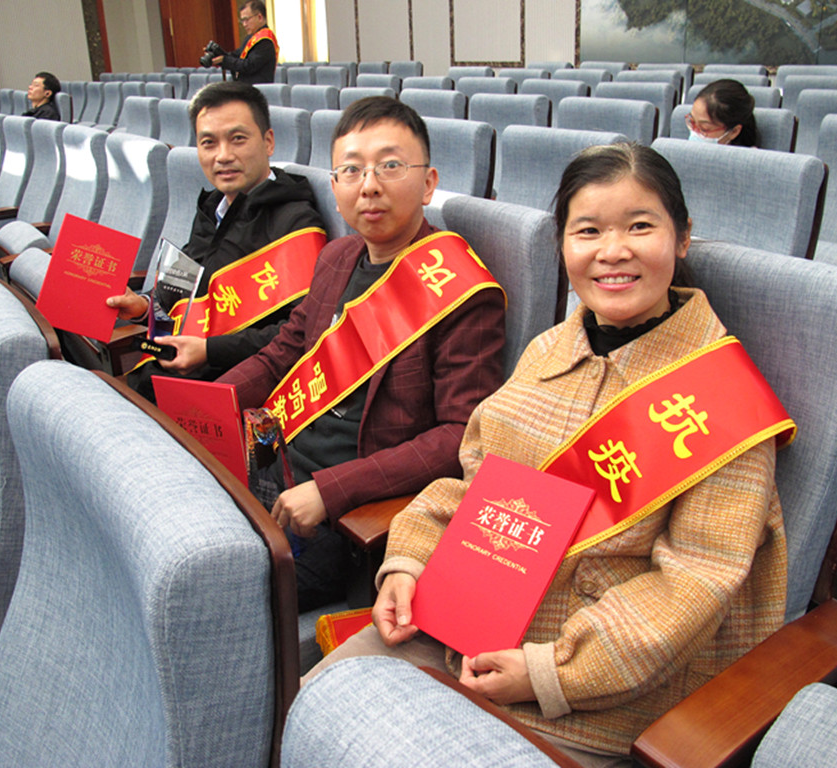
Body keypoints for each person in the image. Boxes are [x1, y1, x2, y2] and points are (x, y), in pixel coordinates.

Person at [307, 143, 789, 767]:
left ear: (683, 236)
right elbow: (473, 486)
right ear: (563, 246)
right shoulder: (547, 351)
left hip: (594, 697)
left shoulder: (719, 397)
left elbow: (695, 580)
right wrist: (409, 564)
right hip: (454, 626)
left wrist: (548, 672)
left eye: (640, 226)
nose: (612, 251)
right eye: (588, 231)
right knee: (318, 712)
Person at [161, 96, 506, 611]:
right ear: (336, 187)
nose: (369, 185)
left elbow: (460, 436)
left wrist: (331, 490)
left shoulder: (461, 292)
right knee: (162, 528)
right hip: (269, 462)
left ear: (429, 182)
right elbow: (281, 355)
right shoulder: (336, 258)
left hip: (341, 516)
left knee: (202, 590)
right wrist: (203, 409)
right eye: (352, 170)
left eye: (390, 165)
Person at [112, 81, 325, 399]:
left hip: (224, 387)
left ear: (268, 142)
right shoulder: (213, 207)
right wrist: (143, 307)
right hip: (165, 370)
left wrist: (210, 351)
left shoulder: (296, 223)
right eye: (208, 143)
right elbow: (184, 286)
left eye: (237, 139)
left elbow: (302, 333)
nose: (223, 156)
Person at [209, 1, 278, 85]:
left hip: (257, 89)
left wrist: (225, 60)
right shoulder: (251, 37)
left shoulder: (265, 40)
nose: (244, 24)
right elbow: (238, 55)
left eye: (246, 20)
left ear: (259, 17)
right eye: (242, 20)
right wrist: (220, 54)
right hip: (244, 87)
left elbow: (249, 66)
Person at [685, 79, 760, 147]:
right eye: (691, 122)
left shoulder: (751, 157)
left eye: (704, 129)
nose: (694, 133)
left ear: (734, 132)